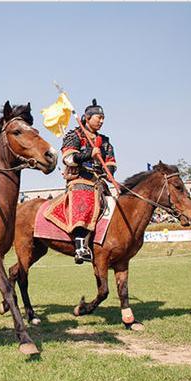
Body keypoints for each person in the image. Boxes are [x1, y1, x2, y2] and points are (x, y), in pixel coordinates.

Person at [58, 99, 116, 264]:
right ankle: (80, 246)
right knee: (84, 199)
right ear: (87, 118)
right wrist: (89, 154)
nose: (101, 121)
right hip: (79, 179)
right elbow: (68, 158)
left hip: (99, 181)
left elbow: (111, 162)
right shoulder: (74, 135)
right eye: (99, 117)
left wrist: (108, 172)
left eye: (103, 118)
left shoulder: (104, 141)